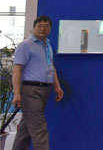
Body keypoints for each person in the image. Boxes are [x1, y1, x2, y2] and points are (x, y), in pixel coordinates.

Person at [12, 16, 64, 150]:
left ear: (50, 29)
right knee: (39, 128)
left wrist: (57, 86)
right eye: (39, 26)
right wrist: (16, 93)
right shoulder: (26, 45)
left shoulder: (47, 46)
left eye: (46, 26)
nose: (42, 29)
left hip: (44, 90)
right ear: (34, 27)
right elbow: (17, 70)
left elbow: (51, 67)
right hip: (30, 91)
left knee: (26, 128)